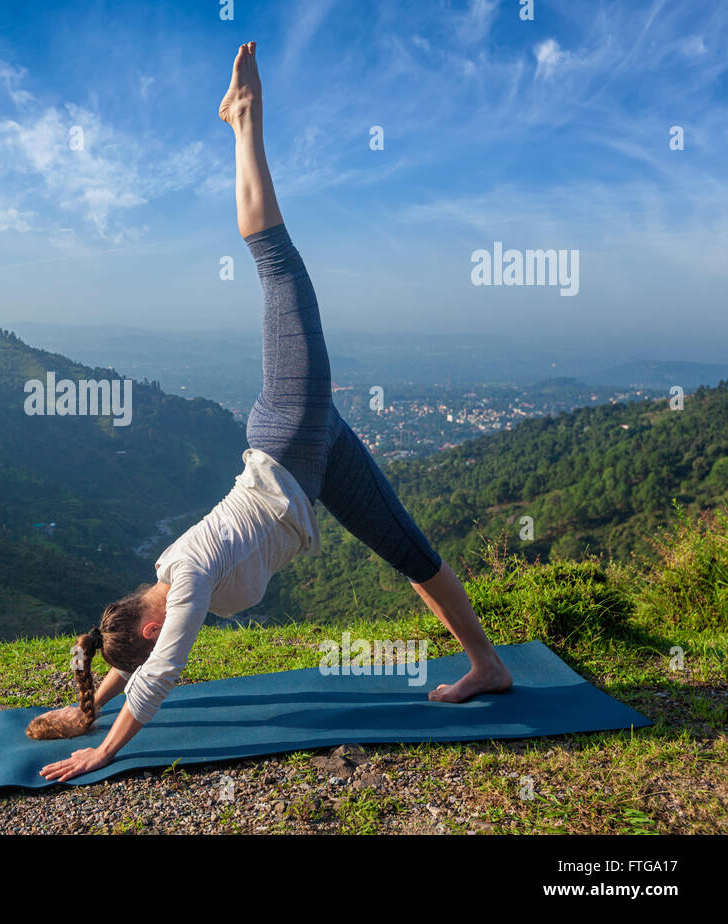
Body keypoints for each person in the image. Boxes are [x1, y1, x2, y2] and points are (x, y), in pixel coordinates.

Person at [32, 42, 512, 782]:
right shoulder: (160, 586)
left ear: (153, 622)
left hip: (289, 434)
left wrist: (104, 750)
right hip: (312, 466)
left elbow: (157, 674)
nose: (162, 642)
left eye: (155, 638)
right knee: (411, 553)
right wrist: (90, 701)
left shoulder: (183, 579)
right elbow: (140, 658)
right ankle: (487, 666)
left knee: (276, 264)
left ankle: (244, 122)